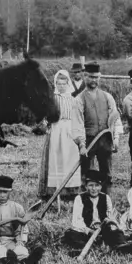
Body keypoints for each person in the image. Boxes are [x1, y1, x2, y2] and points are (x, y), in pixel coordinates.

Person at [63, 170, 132, 255]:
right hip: (86, 232)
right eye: (91, 185)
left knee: (117, 232)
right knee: (70, 234)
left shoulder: (106, 198)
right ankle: (82, 248)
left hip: (103, 230)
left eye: (97, 185)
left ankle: (121, 246)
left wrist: (107, 224)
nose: (94, 189)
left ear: (101, 186)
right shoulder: (79, 198)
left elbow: (110, 217)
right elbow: (77, 221)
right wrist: (89, 231)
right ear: (85, 186)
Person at [39, 69, 86, 200]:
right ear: (55, 84)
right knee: (56, 158)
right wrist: (45, 122)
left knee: (69, 158)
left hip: (70, 130)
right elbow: (46, 116)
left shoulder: (74, 99)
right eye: (58, 84)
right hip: (55, 130)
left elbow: (78, 117)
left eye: (63, 84)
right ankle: (54, 190)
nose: (61, 86)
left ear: (68, 84)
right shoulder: (52, 99)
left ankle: (70, 190)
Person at [0, 175, 43, 264]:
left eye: (5, 192)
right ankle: (8, 260)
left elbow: (23, 226)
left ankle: (26, 261)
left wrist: (21, 240)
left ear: (10, 192)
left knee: (20, 250)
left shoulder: (17, 208)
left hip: (10, 240)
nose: (2, 195)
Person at [78, 63, 121, 192]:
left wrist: (116, 138)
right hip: (89, 140)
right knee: (87, 171)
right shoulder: (79, 99)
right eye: (90, 77)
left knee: (106, 171)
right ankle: (87, 197)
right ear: (85, 76)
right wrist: (81, 144)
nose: (93, 80)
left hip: (105, 140)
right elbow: (77, 123)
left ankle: (106, 197)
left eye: (96, 77)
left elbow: (115, 118)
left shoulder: (107, 97)